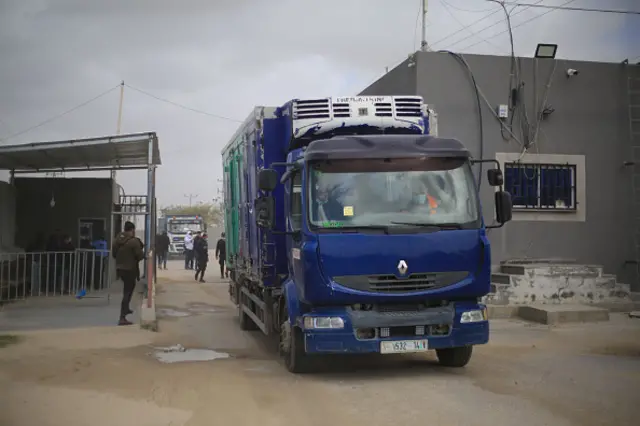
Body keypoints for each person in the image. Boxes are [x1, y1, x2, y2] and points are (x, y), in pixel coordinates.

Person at [112, 221, 144, 326]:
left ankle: (126, 310)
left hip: (120, 268)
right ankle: (122, 317)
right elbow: (139, 256)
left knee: (127, 289)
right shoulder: (134, 241)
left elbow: (114, 254)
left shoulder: (117, 240)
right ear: (132, 230)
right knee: (128, 292)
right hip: (130, 269)